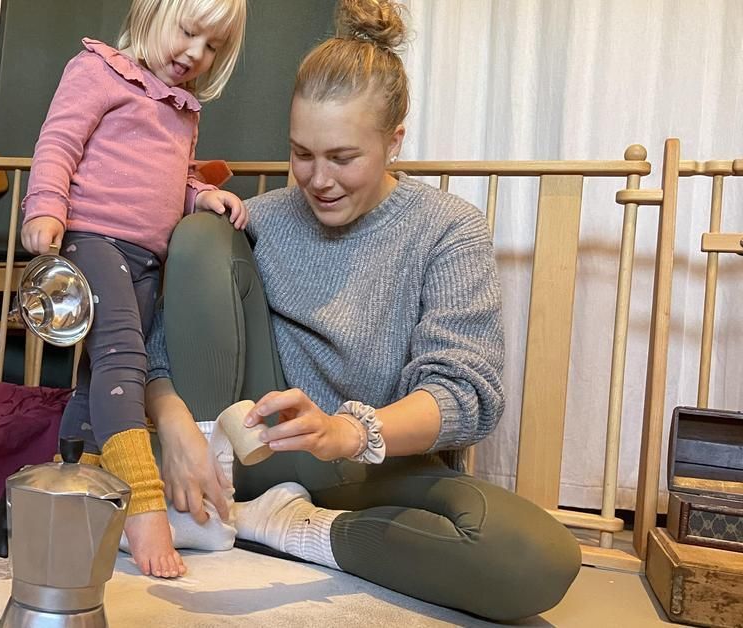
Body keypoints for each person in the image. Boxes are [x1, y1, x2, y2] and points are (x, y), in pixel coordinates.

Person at [143, 0, 582, 619]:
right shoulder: (261, 221)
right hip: (256, 455)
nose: (318, 179)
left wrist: (347, 432)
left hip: (373, 469)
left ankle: (288, 528)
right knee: (200, 233)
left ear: (393, 141)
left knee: (536, 559)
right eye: (301, 154)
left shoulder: (447, 229)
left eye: (342, 157)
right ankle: (222, 500)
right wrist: (177, 426)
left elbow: (466, 394)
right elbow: (160, 351)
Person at [19, 0, 249, 579]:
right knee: (124, 361)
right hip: (91, 240)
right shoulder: (98, 69)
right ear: (151, 11)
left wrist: (202, 197)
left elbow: (175, 177)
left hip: (148, 258)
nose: (196, 54)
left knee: (99, 381)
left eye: (214, 46)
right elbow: (58, 144)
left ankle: (72, 496)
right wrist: (45, 207)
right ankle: (141, 508)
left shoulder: (182, 110)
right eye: (189, 32)